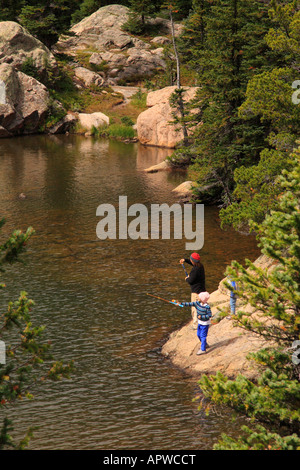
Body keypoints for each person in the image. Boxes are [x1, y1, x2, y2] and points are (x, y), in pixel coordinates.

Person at [179, 252, 205, 329]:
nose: (190, 260)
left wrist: (187, 279)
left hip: (196, 292)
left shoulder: (195, 270)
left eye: (190, 259)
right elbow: (192, 263)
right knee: (201, 306)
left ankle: (196, 325)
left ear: (193, 260)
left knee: (194, 308)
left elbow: (191, 280)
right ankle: (202, 321)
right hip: (202, 290)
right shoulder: (200, 266)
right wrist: (185, 260)